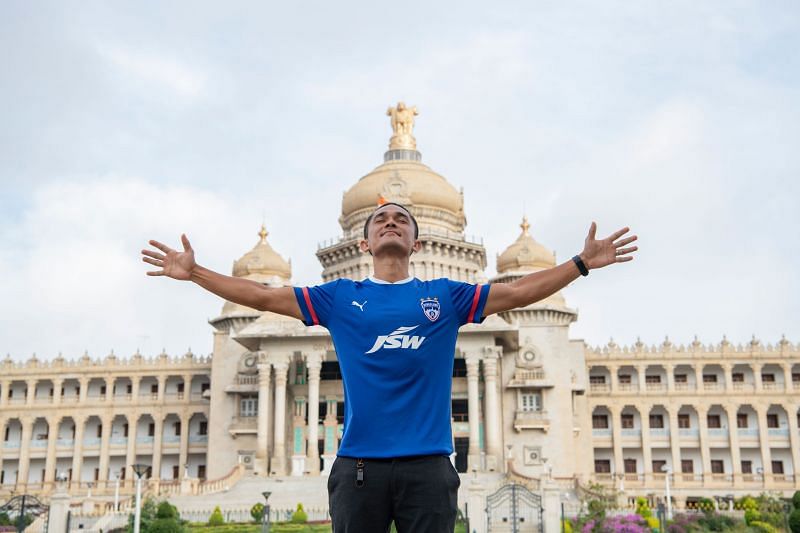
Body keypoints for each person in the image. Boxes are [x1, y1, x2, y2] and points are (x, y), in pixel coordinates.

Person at [141, 202, 637, 533]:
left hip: (429, 466)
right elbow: (264, 295)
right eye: (380, 221)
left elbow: (516, 292)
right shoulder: (340, 298)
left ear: (418, 244)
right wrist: (196, 274)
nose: (391, 222)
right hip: (359, 468)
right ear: (364, 245)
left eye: (401, 218)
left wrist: (580, 264)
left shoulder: (445, 296)